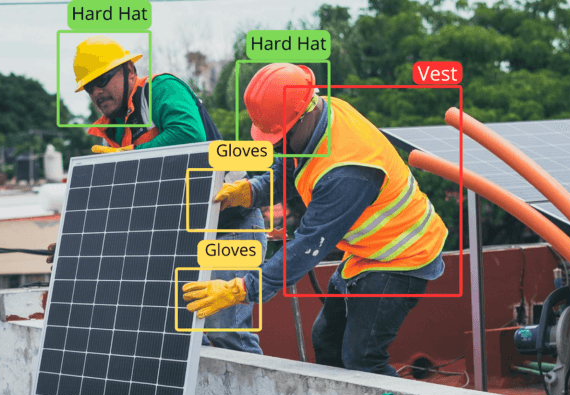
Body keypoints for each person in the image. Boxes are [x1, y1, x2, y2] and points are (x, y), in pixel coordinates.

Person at [183, 63, 448, 376]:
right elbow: (292, 164)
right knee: (325, 338)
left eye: (280, 138)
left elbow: (307, 247)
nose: (277, 146)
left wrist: (240, 289)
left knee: (362, 358)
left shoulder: (348, 172)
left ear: (305, 114)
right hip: (369, 250)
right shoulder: (321, 115)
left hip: (403, 256)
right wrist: (252, 191)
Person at [48, 35, 265, 354]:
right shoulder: (113, 133)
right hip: (186, 239)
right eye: (90, 87)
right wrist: (77, 244)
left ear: (130, 72)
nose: (97, 91)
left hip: (230, 227)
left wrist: (128, 155)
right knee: (187, 339)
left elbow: (189, 136)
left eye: (103, 80)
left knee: (226, 333)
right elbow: (121, 205)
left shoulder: (160, 90)